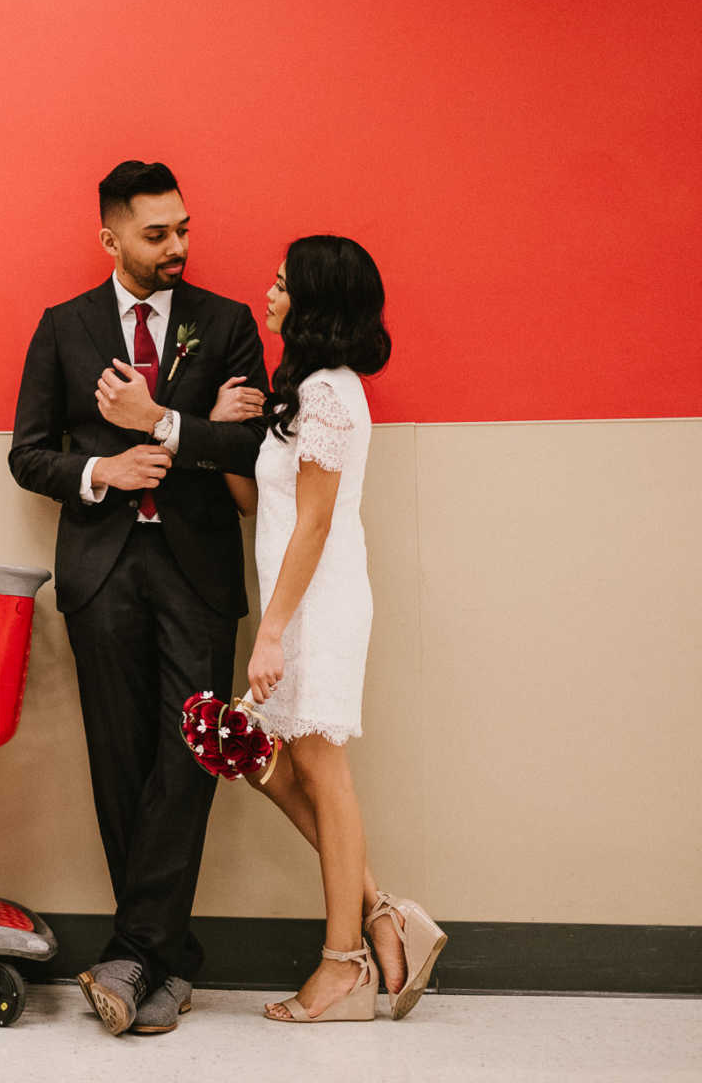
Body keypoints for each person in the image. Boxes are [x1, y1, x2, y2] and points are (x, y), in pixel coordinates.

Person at [8, 161, 268, 1035]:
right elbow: (28, 452)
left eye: (183, 229)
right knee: (120, 760)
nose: (178, 249)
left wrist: (164, 423)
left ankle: (134, 953)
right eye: (157, 235)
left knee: (192, 754)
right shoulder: (63, 328)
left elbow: (247, 448)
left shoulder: (227, 324)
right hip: (103, 569)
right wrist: (102, 470)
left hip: (198, 572)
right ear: (110, 237)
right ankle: (165, 961)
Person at [222, 234, 447, 1022]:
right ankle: (385, 916)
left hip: (317, 604)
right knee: (274, 764)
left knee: (321, 771)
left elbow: (313, 525)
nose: (269, 292)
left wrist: (273, 631)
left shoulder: (326, 394)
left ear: (313, 304)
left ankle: (343, 963)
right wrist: (225, 437)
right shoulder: (313, 389)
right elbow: (266, 506)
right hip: (301, 598)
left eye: (281, 284)